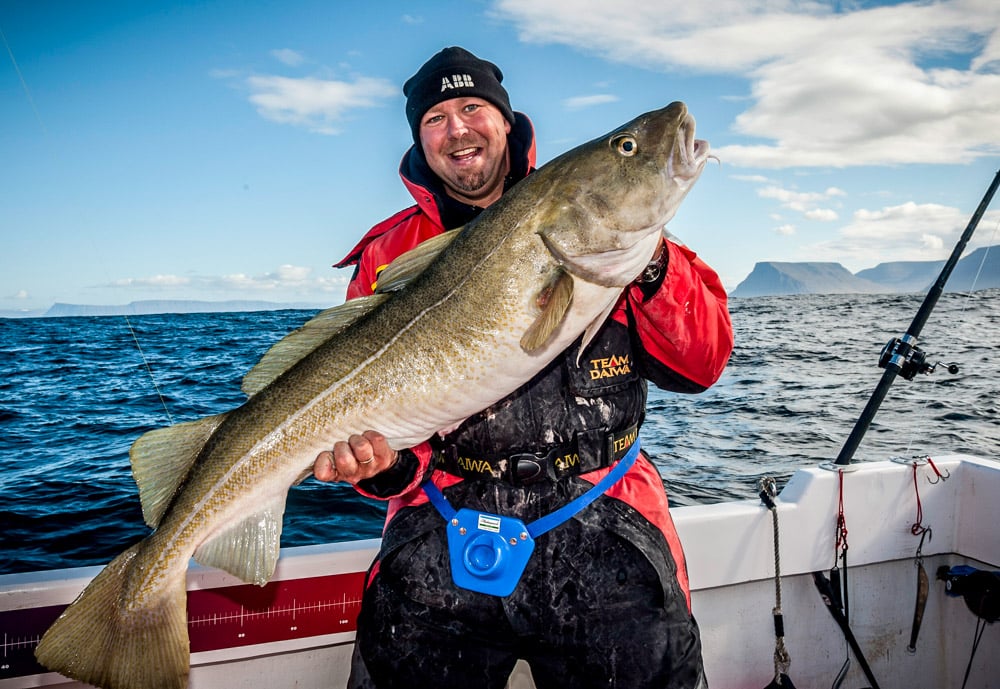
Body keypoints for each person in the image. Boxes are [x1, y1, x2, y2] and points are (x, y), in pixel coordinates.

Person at [313, 46, 733, 689]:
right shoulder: (386, 254)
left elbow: (702, 364)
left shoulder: (621, 239)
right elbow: (390, 426)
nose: (457, 128)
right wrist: (384, 466)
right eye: (435, 117)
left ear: (507, 121)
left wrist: (649, 264)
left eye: (473, 107)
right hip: (441, 518)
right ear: (419, 139)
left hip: (606, 513)